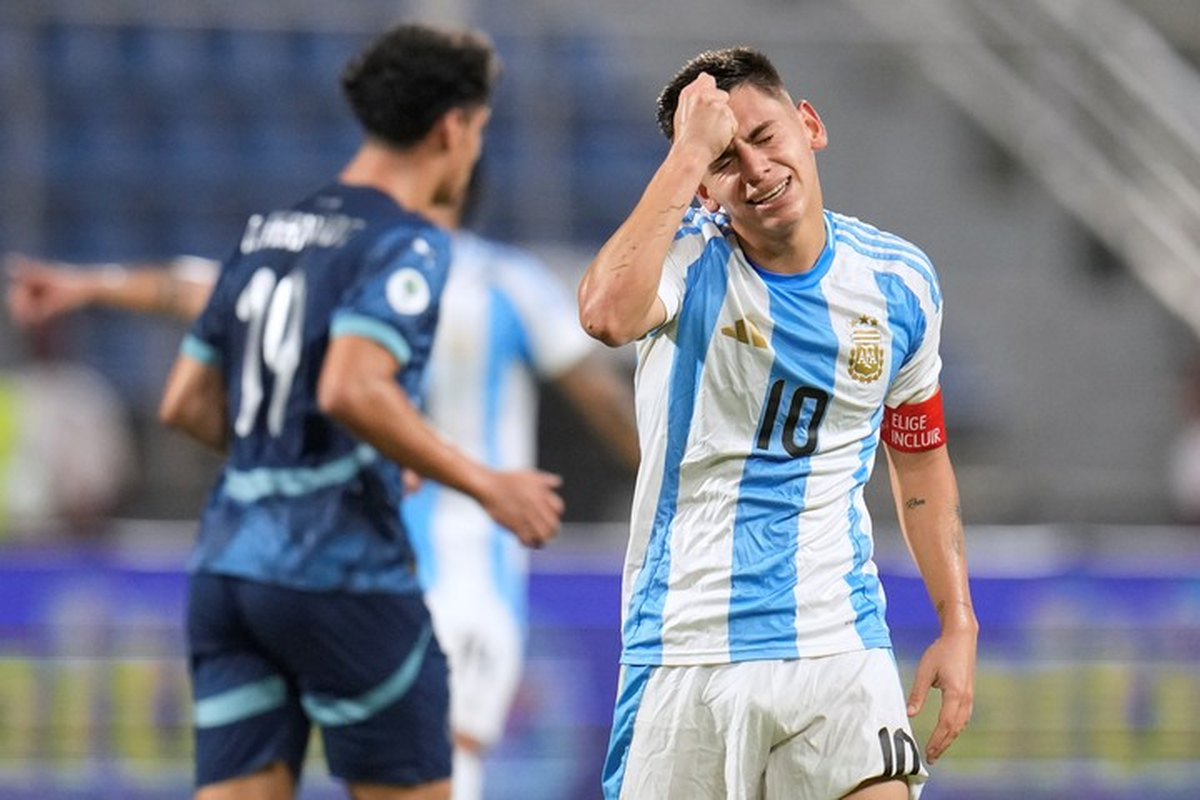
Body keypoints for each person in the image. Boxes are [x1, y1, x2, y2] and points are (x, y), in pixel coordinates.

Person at [7, 188, 638, 800]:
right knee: (446, 755)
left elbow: (201, 288)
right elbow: (601, 395)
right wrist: (668, 474)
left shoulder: (345, 267)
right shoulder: (510, 281)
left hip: (347, 561)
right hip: (468, 564)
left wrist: (92, 285)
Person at [158, 23, 565, 800]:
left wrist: (296, 456)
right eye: (478, 131)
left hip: (228, 572)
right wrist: (489, 485)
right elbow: (353, 385)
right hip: (341, 573)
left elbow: (185, 401)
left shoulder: (267, 232)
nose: (475, 151)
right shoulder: (406, 243)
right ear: (453, 127)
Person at [577, 47, 977, 800]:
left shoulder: (899, 284)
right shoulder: (687, 263)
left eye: (764, 137)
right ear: (699, 187)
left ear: (810, 125)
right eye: (724, 161)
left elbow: (920, 462)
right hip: (686, 649)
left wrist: (958, 622)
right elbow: (604, 313)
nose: (756, 170)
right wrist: (687, 152)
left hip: (837, 642)